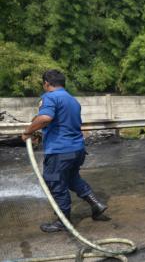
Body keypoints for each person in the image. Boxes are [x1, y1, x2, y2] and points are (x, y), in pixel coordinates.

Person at [22, 70, 108, 233]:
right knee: (71, 178)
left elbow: (45, 118)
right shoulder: (72, 100)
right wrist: (41, 133)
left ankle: (63, 221)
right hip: (77, 150)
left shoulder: (50, 97)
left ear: (47, 83)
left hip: (60, 152)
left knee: (55, 183)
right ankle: (96, 204)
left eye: (44, 84)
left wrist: (27, 132)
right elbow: (61, 123)